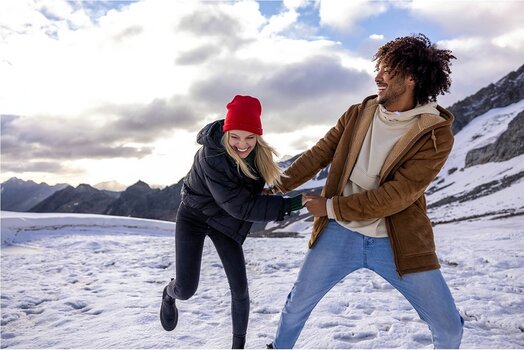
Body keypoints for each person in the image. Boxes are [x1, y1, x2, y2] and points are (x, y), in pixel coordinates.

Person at [267, 34, 464, 349]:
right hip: (339, 234)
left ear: (410, 77)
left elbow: (396, 196)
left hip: (398, 242)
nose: (378, 77)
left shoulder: (435, 135)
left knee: (449, 328)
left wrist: (330, 208)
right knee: (295, 307)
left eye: (387, 71)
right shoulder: (358, 114)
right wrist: (274, 186)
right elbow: (317, 155)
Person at [159, 95, 303, 349]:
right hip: (194, 215)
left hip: (224, 221)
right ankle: (168, 294)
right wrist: (292, 204)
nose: (242, 144)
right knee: (186, 288)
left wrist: (264, 192)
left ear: (258, 136)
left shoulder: (259, 155)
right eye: (235, 136)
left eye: (250, 138)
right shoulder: (211, 155)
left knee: (240, 289)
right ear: (226, 132)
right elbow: (239, 205)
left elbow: (244, 193)